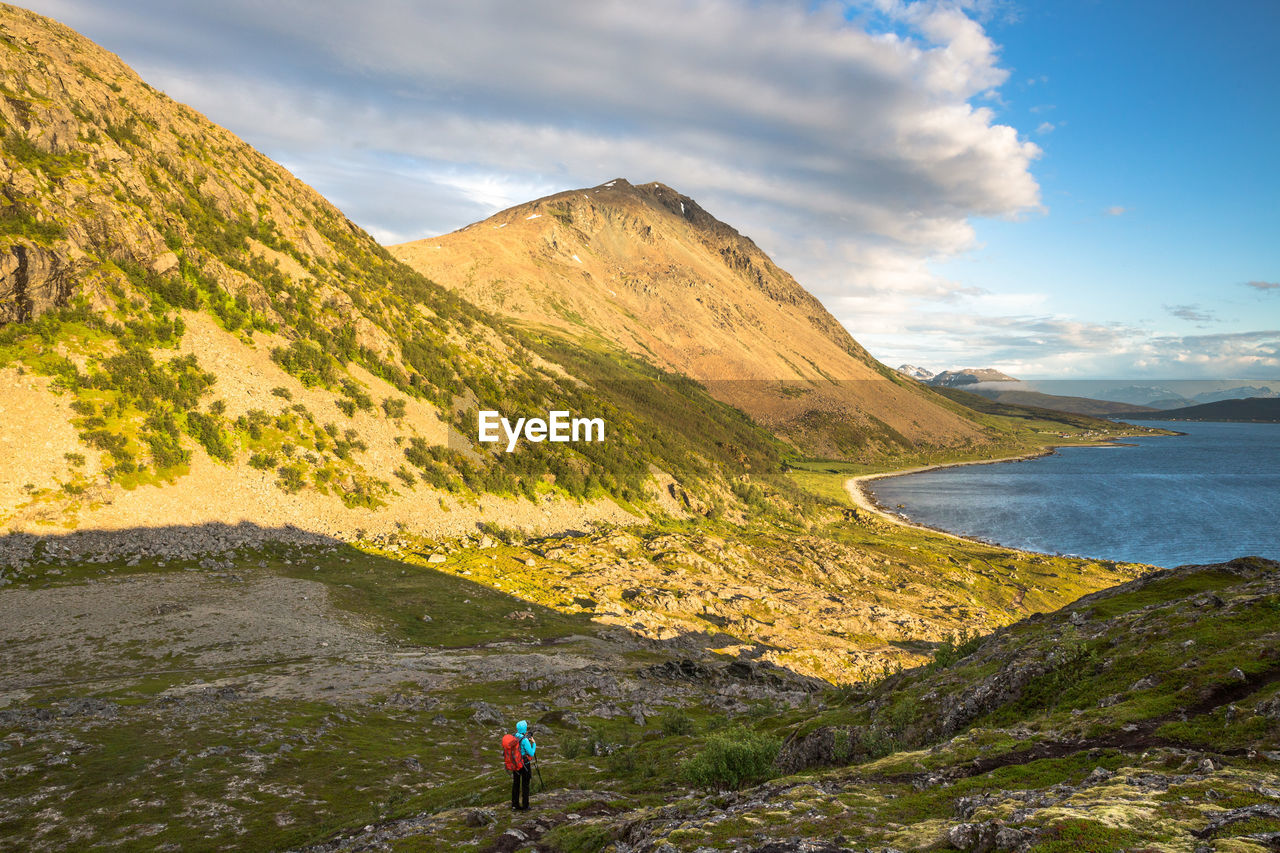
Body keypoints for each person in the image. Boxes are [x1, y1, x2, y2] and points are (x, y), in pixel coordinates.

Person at [509, 720, 536, 811]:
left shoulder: (513, 736)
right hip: (525, 765)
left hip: (515, 764)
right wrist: (534, 743)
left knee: (515, 784)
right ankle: (525, 806)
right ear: (524, 729)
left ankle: (515, 805)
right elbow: (531, 753)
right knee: (525, 785)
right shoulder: (524, 740)